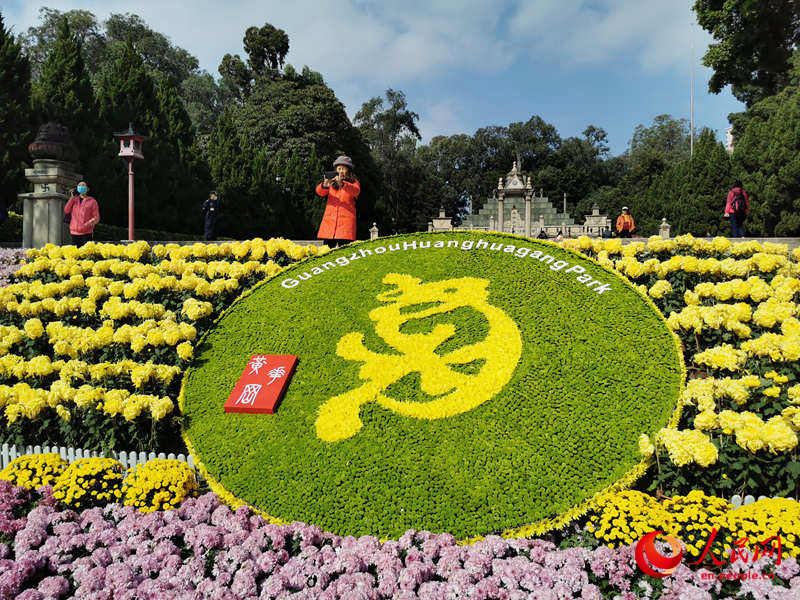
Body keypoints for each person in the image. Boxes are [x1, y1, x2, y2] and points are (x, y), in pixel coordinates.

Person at [316, 156, 359, 246]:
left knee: (345, 254)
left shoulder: (353, 182)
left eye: (343, 169)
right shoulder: (331, 184)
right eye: (338, 169)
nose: (340, 171)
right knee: (326, 252)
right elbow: (320, 192)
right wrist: (325, 184)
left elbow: (356, 191)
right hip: (329, 224)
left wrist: (342, 184)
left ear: (349, 170)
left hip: (345, 226)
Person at [64, 181, 99, 247]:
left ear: (88, 189)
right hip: (74, 232)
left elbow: (96, 217)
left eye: (83, 185)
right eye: (79, 185)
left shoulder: (92, 201)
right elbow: (66, 210)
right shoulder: (74, 200)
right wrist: (72, 198)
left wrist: (86, 225)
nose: (81, 187)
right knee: (75, 254)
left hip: (87, 233)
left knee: (86, 253)